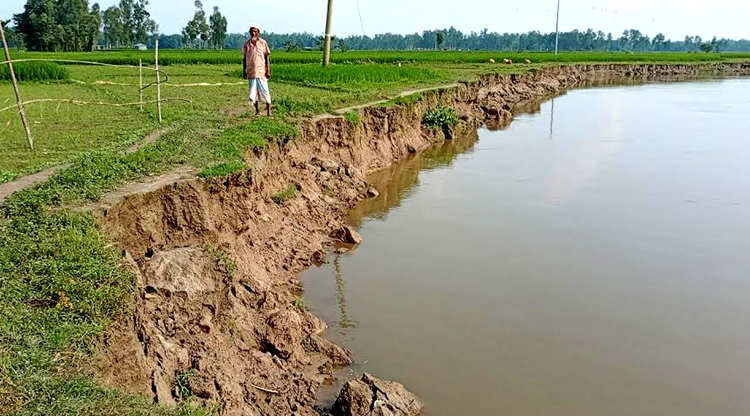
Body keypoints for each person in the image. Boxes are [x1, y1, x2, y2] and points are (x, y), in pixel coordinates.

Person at [243, 23, 272, 116]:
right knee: (253, 92)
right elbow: (244, 58)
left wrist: (268, 70)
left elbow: (267, 57)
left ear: (258, 32)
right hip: (251, 72)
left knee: (265, 92)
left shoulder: (263, 43)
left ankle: (269, 112)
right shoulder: (247, 44)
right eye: (252, 31)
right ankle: (257, 111)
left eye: (255, 31)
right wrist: (244, 70)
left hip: (261, 72)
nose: (253, 33)